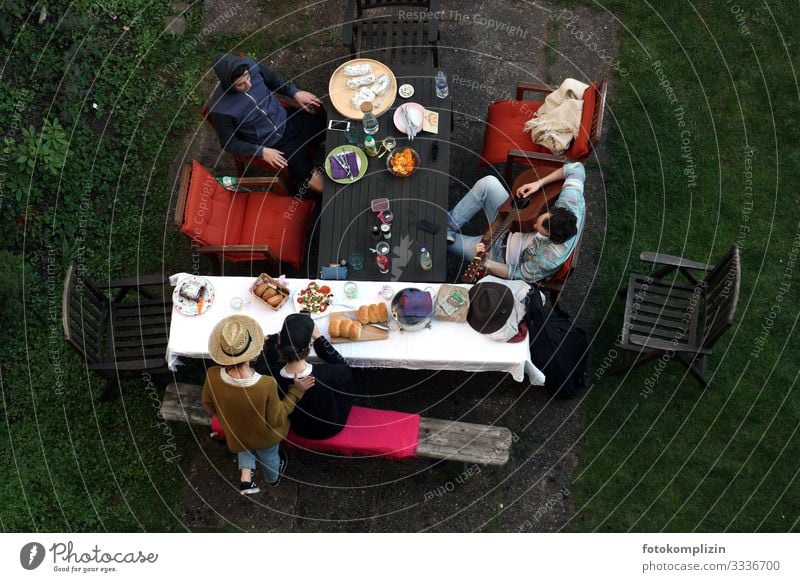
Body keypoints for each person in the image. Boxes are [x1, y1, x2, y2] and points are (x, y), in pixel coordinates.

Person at [202, 315, 312, 495]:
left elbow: (208, 405)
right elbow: (277, 418)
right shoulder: (265, 384)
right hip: (265, 437)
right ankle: (273, 478)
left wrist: (230, 415)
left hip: (236, 431)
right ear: (253, 353)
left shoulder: (212, 374)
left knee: (244, 442)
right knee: (269, 456)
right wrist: (296, 391)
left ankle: (246, 476)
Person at [447, 162, 586, 283]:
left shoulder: (549, 259)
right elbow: (576, 168)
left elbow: (517, 273)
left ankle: (445, 233)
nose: (534, 226)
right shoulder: (570, 203)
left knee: (442, 239)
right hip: (515, 222)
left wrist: (486, 263)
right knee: (488, 183)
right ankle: (451, 224)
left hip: (498, 254)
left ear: (553, 240)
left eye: (539, 230)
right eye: (541, 218)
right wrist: (538, 183)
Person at [209, 53, 326, 193]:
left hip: (289, 119)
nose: (249, 84)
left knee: (335, 130)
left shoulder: (251, 65)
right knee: (312, 179)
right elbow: (229, 144)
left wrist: (294, 92)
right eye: (241, 84)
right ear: (228, 84)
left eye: (248, 76)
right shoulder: (221, 109)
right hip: (276, 144)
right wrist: (261, 151)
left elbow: (274, 80)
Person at [254, 314, 353, 440]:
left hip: (300, 428)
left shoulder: (267, 376)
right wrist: (319, 339)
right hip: (334, 425)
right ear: (309, 347)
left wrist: (272, 340)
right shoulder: (333, 373)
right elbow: (342, 364)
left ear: (280, 346)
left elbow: (262, 363)